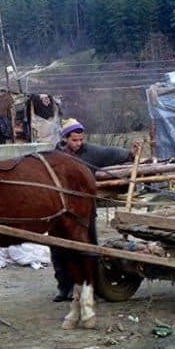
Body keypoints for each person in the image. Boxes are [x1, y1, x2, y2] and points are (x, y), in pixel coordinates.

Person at [51, 118, 142, 302]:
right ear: (65, 139)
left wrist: (129, 154)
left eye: (80, 139)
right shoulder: (55, 155)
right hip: (61, 211)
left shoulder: (90, 152)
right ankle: (64, 288)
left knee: (87, 248)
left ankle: (89, 286)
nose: (78, 143)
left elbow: (109, 153)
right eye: (74, 140)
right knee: (59, 250)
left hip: (84, 211)